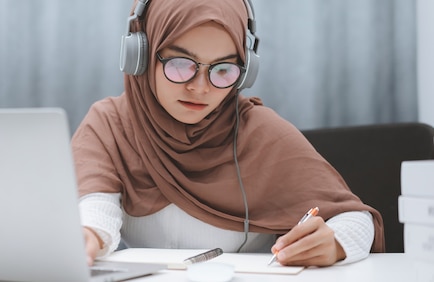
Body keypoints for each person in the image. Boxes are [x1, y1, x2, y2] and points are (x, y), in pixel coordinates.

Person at [72, 0, 385, 267]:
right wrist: (88, 236)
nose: (200, 87)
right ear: (140, 55)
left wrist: (336, 243)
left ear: (244, 73)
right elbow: (97, 208)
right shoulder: (110, 124)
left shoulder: (260, 132)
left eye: (222, 69)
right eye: (181, 64)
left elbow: (356, 220)